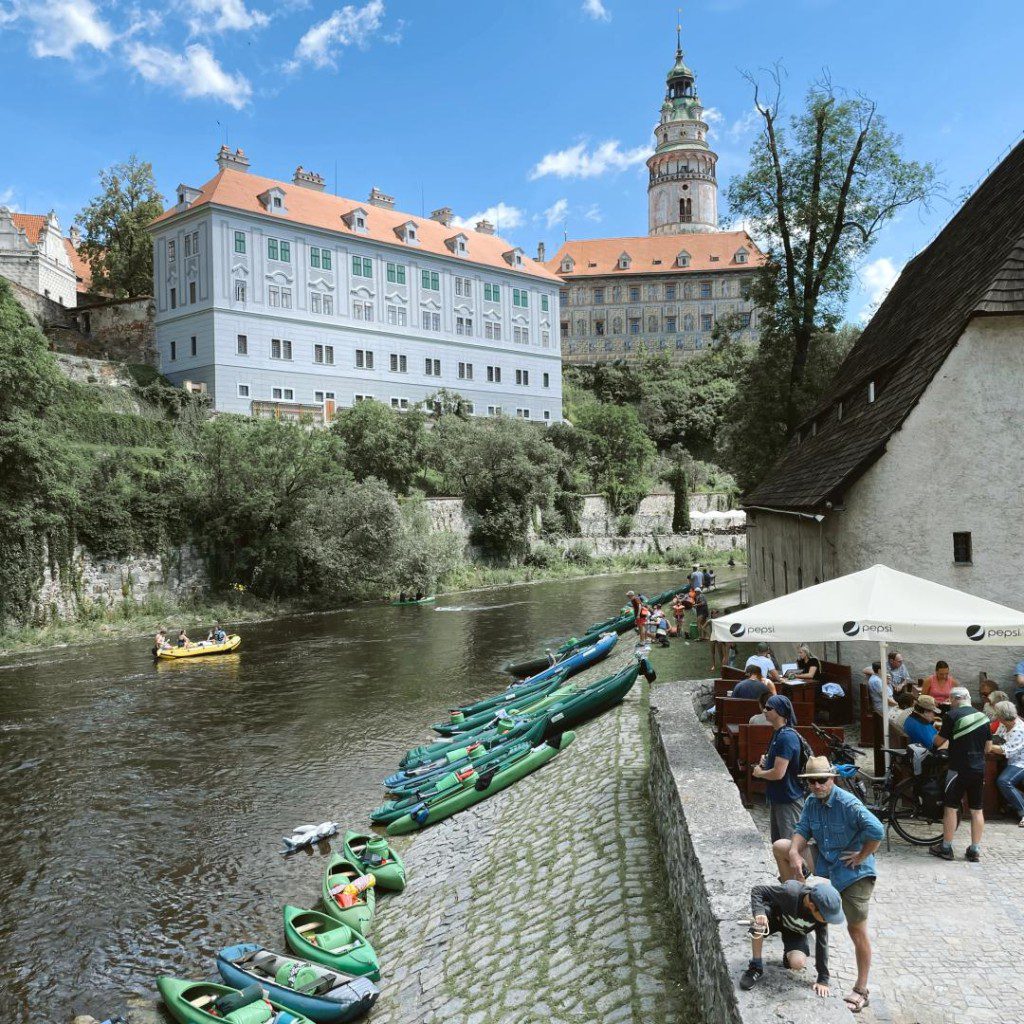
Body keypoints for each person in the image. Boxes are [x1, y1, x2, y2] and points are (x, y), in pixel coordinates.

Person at [773, 757, 884, 1014]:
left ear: (832, 779)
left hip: (854, 873)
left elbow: (876, 830)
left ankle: (861, 989)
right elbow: (801, 830)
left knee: (856, 931)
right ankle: (796, 911)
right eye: (811, 781)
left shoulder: (848, 803)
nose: (816, 785)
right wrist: (795, 853)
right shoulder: (812, 802)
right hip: (827, 861)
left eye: (821, 780)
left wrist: (862, 855)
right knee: (782, 847)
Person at [739, 878, 843, 996]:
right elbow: (758, 890)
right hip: (775, 918)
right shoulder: (790, 892)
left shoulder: (821, 920)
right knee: (758, 924)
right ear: (812, 906)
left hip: (795, 931)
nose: (827, 920)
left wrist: (823, 980)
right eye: (826, 917)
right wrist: (759, 913)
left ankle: (788, 955)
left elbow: (822, 944)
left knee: (797, 963)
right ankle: (755, 966)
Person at [930, 686, 991, 862]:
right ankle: (974, 850)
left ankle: (946, 847)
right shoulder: (983, 717)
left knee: (950, 807)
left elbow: (939, 741)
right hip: (978, 768)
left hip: (957, 768)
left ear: (955, 700)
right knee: (977, 809)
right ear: (968, 698)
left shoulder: (951, 716)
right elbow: (987, 747)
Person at [751, 694, 805, 842]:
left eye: (769, 708)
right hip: (779, 798)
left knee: (790, 847)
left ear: (780, 711)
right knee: (779, 845)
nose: (764, 711)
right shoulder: (778, 733)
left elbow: (778, 773)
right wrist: (767, 759)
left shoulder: (786, 737)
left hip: (788, 799)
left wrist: (760, 773)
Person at [990, 700, 1024, 827]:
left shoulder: (1019, 730)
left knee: (1004, 781)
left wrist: (988, 746)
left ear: (1001, 716)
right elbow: (997, 738)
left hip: (1020, 762)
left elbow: (1006, 750)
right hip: (1011, 760)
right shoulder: (1004, 724)